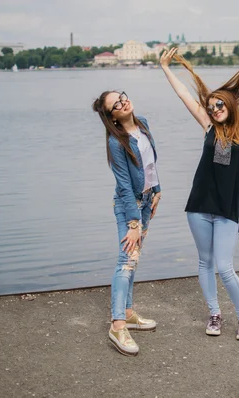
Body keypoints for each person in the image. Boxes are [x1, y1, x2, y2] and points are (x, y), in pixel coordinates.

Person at [159, 39, 239, 341]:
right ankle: (214, 314)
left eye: (220, 104)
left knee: (224, 266)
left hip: (227, 210)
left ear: (230, 105)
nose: (215, 108)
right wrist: (166, 69)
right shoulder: (209, 127)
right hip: (199, 206)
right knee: (204, 262)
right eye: (211, 105)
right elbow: (185, 96)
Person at [92, 90, 162, 356]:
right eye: (116, 104)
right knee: (126, 260)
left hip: (146, 201)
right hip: (128, 205)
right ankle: (118, 325)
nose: (123, 102)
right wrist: (133, 222)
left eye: (122, 96)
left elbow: (150, 163)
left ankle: (129, 313)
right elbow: (123, 184)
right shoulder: (115, 141)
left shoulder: (142, 122)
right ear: (113, 117)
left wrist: (158, 190)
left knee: (135, 258)